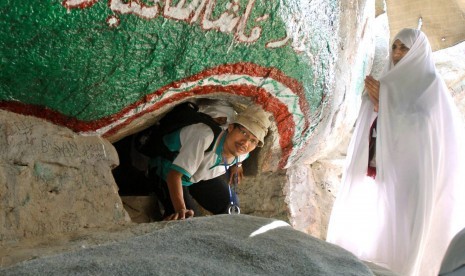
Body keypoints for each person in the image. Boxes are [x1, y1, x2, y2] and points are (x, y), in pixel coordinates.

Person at [326, 28, 465, 276]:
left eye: (404, 48)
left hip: (415, 172)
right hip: (383, 168)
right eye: (395, 47)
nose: (398, 53)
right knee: (380, 220)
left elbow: (424, 127)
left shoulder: (431, 84)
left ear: (418, 51)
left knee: (405, 223)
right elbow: (370, 119)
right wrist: (380, 102)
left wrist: (387, 101)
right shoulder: (387, 80)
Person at [148, 104, 271, 221]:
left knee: (231, 208)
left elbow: (243, 153)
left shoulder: (242, 152)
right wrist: (181, 210)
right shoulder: (205, 137)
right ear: (231, 127)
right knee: (187, 220)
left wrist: (237, 165)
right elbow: (174, 175)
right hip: (167, 171)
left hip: (196, 175)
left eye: (253, 141)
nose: (245, 143)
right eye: (244, 133)